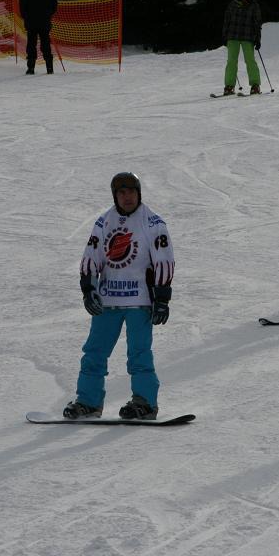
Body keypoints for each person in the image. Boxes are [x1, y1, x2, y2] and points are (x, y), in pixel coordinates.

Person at [64, 172, 174, 421]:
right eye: (122, 193)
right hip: (108, 301)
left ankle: (145, 402)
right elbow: (91, 256)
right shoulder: (104, 222)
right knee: (94, 353)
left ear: (139, 193)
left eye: (131, 191)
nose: (127, 197)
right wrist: (88, 289)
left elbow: (164, 260)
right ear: (115, 196)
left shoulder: (153, 223)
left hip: (139, 301)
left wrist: (162, 298)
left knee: (139, 354)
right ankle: (88, 402)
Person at [221, 0, 263, 96]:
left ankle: (255, 85)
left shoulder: (254, 5)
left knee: (250, 60)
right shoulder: (233, 4)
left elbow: (257, 23)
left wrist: (258, 38)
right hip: (232, 36)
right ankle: (229, 86)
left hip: (247, 37)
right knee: (231, 61)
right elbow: (227, 20)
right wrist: (224, 35)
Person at [17, 0, 58, 75]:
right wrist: (48, 14)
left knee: (31, 44)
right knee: (46, 43)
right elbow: (54, 5)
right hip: (44, 20)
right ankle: (49, 68)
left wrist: (25, 16)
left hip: (31, 20)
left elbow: (22, 5)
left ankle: (31, 68)